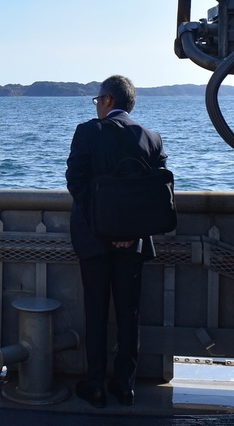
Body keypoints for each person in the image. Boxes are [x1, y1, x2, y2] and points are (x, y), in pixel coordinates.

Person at [65, 75, 166, 409]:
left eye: (97, 100)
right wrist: (131, 234)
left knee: (96, 313)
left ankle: (95, 386)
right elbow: (158, 196)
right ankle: (125, 387)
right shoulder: (151, 138)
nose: (96, 106)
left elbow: (76, 184)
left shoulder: (88, 133)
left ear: (107, 100)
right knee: (129, 314)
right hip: (134, 244)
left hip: (94, 241)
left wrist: (105, 230)